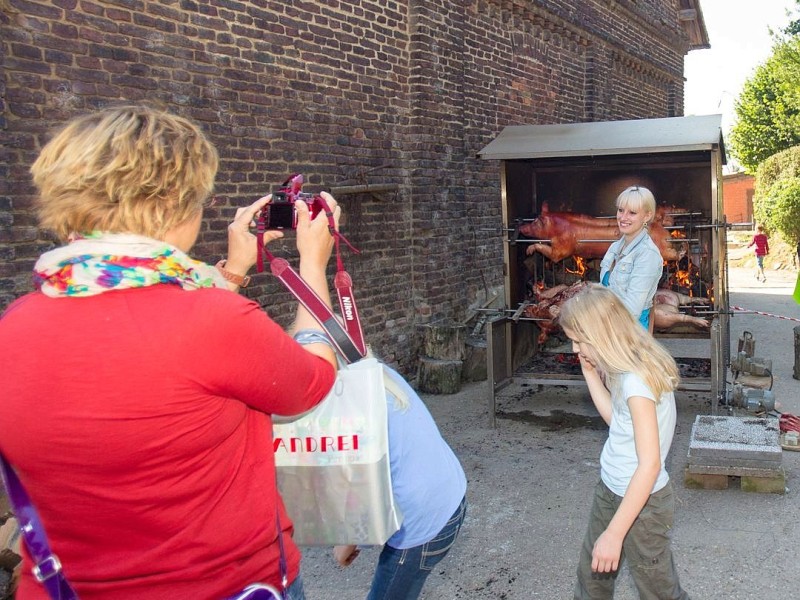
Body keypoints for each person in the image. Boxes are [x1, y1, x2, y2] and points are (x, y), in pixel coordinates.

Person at [0, 105, 342, 599]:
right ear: (177, 206)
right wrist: (314, 264)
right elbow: (311, 383)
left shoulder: (15, 326)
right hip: (220, 585)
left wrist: (232, 274)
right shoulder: (210, 321)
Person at [558, 284, 690, 600]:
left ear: (602, 335)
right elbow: (618, 423)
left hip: (644, 503)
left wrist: (615, 533)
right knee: (592, 578)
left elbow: (650, 464)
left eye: (578, 341)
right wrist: (590, 374)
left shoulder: (636, 381)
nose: (576, 350)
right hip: (611, 488)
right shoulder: (624, 368)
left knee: (657, 588)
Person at [331, 364, 467, 600]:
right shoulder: (375, 371)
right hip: (452, 499)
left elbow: (365, 494)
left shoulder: (347, 408)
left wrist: (345, 545)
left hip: (421, 524)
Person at [599, 185, 664, 330]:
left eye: (632, 213)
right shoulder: (614, 248)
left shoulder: (647, 254)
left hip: (630, 333)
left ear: (647, 216)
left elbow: (632, 310)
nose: (623, 217)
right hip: (608, 328)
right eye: (621, 210)